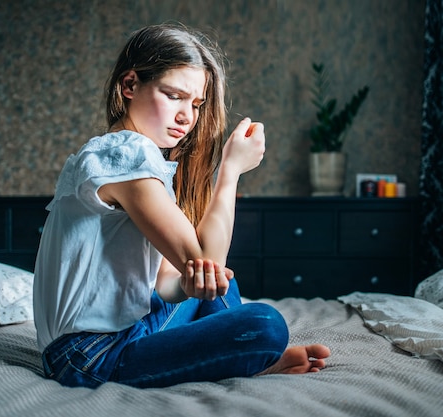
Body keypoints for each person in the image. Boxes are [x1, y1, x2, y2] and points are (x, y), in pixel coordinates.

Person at [33, 23, 330, 389]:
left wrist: (195, 284)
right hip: (87, 356)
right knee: (265, 324)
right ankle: (249, 356)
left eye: (195, 104)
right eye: (173, 95)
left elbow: (170, 284)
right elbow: (207, 258)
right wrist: (231, 170)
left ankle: (245, 356)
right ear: (129, 86)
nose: (187, 117)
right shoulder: (125, 155)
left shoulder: (126, 158)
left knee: (223, 286)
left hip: (117, 336)